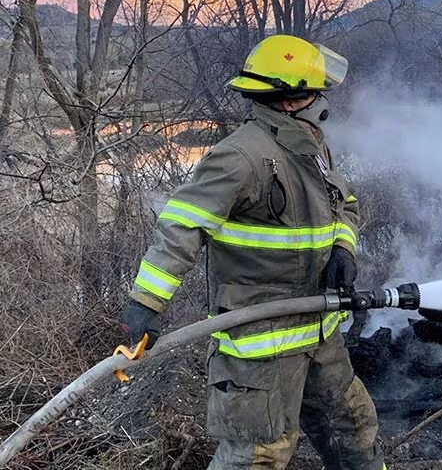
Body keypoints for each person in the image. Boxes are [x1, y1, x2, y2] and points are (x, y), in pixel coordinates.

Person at [120, 34, 385, 470]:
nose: (322, 100)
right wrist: (146, 302)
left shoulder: (312, 144)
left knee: (353, 428)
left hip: (319, 330)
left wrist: (343, 249)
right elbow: (182, 225)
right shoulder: (240, 156)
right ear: (287, 100)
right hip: (260, 344)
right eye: (315, 91)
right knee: (259, 454)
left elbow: (346, 204)